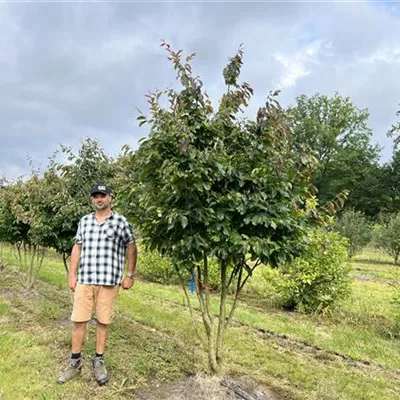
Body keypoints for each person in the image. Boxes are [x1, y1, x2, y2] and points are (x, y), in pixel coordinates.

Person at [57, 182, 137, 385]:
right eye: (95, 196)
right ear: (92, 199)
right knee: (79, 321)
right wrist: (72, 274)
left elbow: (131, 245)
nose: (99, 199)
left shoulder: (120, 221)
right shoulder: (84, 221)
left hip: (109, 282)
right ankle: (75, 362)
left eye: (102, 195)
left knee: (103, 322)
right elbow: (77, 247)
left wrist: (129, 274)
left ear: (110, 197)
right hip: (85, 280)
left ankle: (98, 361)